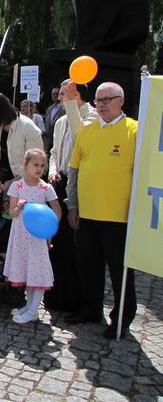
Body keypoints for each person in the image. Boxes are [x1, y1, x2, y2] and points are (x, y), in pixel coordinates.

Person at [64, 82, 138, 338]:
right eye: (98, 100)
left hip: (119, 217)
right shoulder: (87, 131)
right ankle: (90, 308)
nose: (102, 104)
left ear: (121, 101)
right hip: (87, 214)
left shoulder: (135, 131)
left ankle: (122, 318)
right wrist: (72, 205)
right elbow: (74, 171)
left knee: (120, 271)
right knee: (88, 266)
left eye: (108, 99)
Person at [45, 80, 98, 311]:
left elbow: (82, 136)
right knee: (59, 243)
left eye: (64, 92)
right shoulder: (60, 120)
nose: (59, 97)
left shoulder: (92, 116)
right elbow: (54, 151)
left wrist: (71, 106)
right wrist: (53, 169)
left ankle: (78, 300)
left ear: (77, 94)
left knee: (77, 245)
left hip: (80, 185)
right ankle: (57, 296)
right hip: (60, 181)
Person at [5, 148, 62, 324]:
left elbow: (57, 211)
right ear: (25, 164)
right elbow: (12, 213)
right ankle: (30, 306)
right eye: (35, 164)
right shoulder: (17, 186)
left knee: (38, 272)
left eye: (42, 165)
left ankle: (33, 309)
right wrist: (19, 206)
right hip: (21, 236)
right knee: (28, 271)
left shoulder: (46, 188)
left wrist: (50, 231)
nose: (39, 168)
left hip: (38, 238)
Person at [0, 93, 44, 196]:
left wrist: (13, 182)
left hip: (25, 185)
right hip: (1, 183)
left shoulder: (28, 128)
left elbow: (36, 163)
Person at [43, 86, 65, 153]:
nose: (55, 95)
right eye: (53, 94)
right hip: (49, 141)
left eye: (57, 93)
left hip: (59, 140)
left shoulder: (64, 108)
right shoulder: (49, 109)